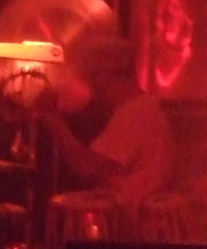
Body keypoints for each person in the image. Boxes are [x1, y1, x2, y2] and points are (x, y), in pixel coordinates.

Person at [41, 33, 174, 226]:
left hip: (131, 228)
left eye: (87, 78)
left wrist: (51, 117)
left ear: (102, 76)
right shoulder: (142, 108)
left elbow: (86, 166)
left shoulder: (135, 114)